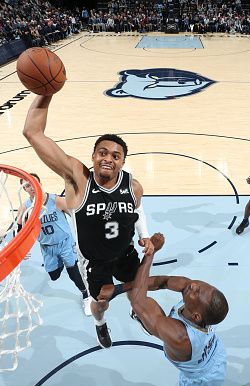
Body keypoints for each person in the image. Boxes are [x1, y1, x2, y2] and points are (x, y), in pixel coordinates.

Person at [22, 95, 154, 348]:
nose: (108, 158)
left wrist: (144, 235)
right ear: (93, 156)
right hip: (94, 262)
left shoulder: (133, 186)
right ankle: (100, 324)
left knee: (138, 293)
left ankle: (136, 310)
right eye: (102, 153)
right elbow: (32, 132)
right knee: (100, 303)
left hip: (126, 253)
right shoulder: (78, 179)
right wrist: (46, 91)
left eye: (116, 156)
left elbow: (139, 211)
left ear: (123, 162)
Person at [128, 232, 229, 386]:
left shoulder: (179, 336)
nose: (194, 285)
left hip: (201, 380)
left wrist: (150, 253)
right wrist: (119, 289)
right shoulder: (197, 299)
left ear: (196, 316)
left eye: (197, 292)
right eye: (202, 285)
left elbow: (138, 301)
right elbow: (163, 281)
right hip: (216, 355)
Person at [17, 172, 91, 316]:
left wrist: (86, 234)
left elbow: (76, 216)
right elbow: (19, 230)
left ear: (40, 184)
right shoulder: (25, 207)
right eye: (27, 186)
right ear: (24, 189)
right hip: (47, 247)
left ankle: (86, 295)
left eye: (34, 183)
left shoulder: (56, 200)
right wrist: (20, 250)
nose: (31, 187)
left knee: (73, 272)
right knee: (54, 275)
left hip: (64, 243)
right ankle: (62, 263)